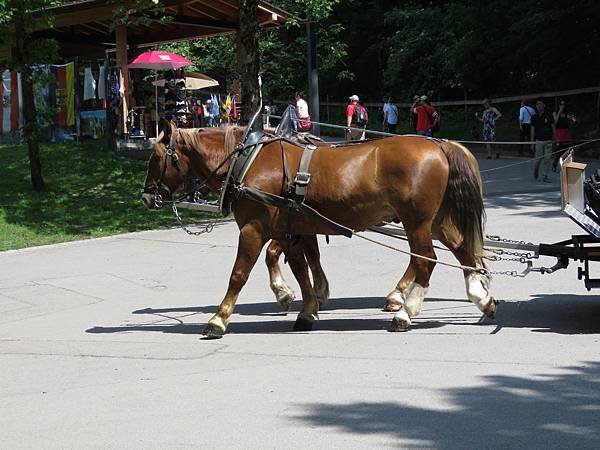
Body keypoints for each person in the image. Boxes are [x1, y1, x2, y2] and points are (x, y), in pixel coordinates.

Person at [530, 99, 555, 183]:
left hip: (548, 140)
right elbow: (532, 130)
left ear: (544, 105)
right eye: (537, 104)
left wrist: (555, 137)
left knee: (547, 158)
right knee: (538, 159)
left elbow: (553, 127)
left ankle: (545, 175)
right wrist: (532, 143)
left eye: (540, 104)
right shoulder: (534, 117)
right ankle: (536, 170)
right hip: (539, 140)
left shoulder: (549, 115)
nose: (538, 106)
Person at [552, 98, 575, 171]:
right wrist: (559, 112)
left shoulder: (566, 113)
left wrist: (573, 119)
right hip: (559, 132)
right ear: (559, 105)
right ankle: (554, 164)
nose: (562, 106)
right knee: (559, 149)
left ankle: (568, 165)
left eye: (563, 104)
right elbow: (555, 122)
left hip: (566, 132)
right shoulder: (555, 113)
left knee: (569, 148)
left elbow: (573, 121)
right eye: (561, 104)